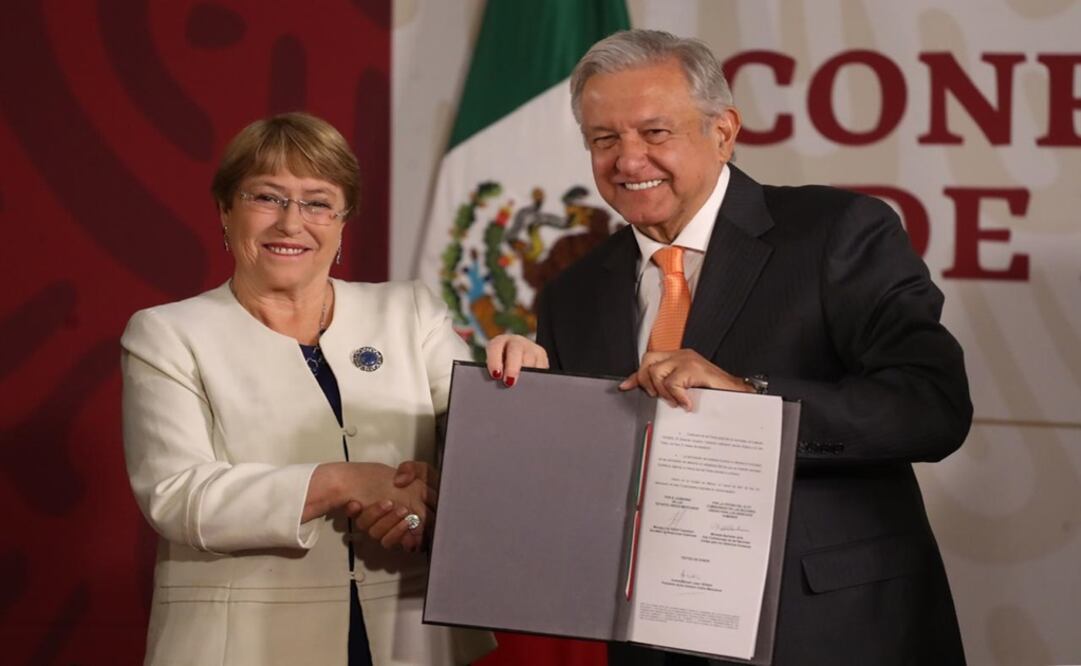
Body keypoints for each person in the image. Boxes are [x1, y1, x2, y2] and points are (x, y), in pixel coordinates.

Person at [489, 30, 972, 665]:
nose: (628, 161)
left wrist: (750, 402)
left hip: (832, 632)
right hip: (655, 642)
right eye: (604, 139)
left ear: (724, 131)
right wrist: (531, 409)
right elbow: (586, 484)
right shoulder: (571, 292)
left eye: (655, 133)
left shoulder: (838, 233)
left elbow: (932, 407)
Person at [121, 112, 515, 665]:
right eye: (267, 197)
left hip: (410, 635)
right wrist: (342, 481)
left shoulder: (410, 313)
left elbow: (487, 453)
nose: (291, 222)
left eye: (317, 202)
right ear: (225, 212)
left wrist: (430, 499)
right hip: (239, 645)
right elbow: (180, 495)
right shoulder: (167, 334)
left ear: (342, 221)